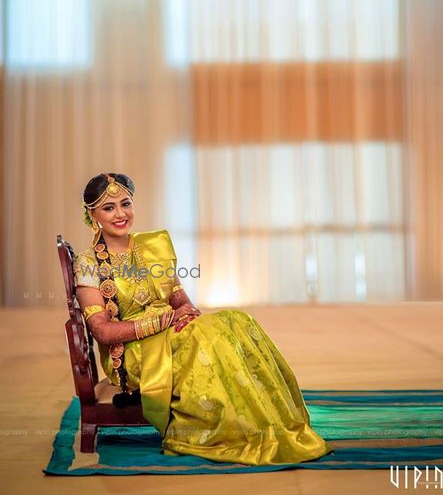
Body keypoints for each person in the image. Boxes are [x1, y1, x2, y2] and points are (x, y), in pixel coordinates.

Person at [74, 172, 333, 466]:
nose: (121, 214)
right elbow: (103, 331)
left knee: (236, 321)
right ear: (92, 214)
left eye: (126, 204)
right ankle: (233, 432)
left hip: (171, 331)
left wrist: (187, 315)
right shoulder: (88, 263)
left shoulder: (153, 246)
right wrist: (166, 321)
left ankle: (269, 424)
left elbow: (179, 298)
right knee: (208, 337)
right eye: (109, 208)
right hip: (134, 352)